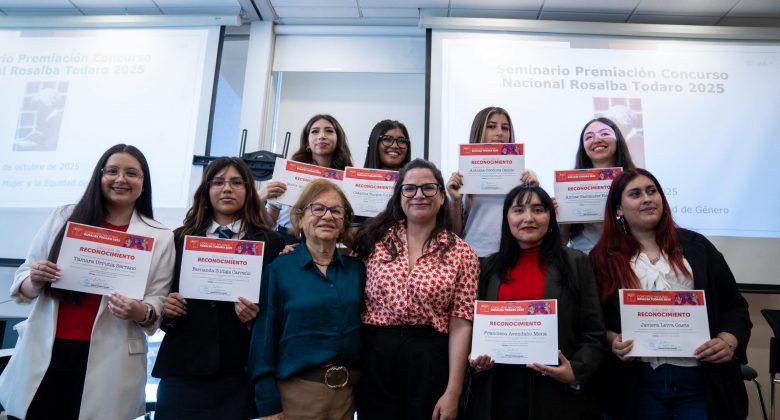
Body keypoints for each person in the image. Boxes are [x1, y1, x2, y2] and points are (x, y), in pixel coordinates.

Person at [0, 144, 175, 420]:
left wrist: (139, 311)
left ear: (143, 182)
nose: (121, 179)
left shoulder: (160, 235)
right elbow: (25, 274)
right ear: (100, 176)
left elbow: (158, 299)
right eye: (113, 171)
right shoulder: (64, 216)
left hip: (113, 360)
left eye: (132, 173)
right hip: (46, 352)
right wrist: (34, 280)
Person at [590, 168, 752, 420]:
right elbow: (592, 319)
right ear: (618, 209)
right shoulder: (602, 258)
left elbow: (734, 306)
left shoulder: (698, 247)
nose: (646, 198)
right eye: (635, 194)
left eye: (652, 191)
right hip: (637, 383)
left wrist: (727, 341)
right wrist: (612, 340)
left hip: (699, 380)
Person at [152, 157, 285, 419]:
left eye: (236, 182)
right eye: (218, 182)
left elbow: (276, 311)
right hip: (183, 369)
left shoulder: (272, 242)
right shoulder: (179, 238)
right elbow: (159, 296)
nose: (227, 189)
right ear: (206, 190)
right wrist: (167, 308)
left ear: (248, 191)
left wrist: (253, 320)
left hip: (240, 373)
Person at [462, 185, 606, 420]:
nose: (528, 218)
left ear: (550, 216)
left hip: (556, 393)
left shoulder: (575, 262)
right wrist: (475, 359)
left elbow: (593, 332)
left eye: (538, 209)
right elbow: (474, 328)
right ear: (507, 218)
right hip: (499, 391)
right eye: (518, 210)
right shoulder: (488, 267)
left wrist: (576, 371)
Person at [353, 159, 480, 420]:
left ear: (442, 196)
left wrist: (453, 391)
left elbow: (461, 323)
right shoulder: (372, 241)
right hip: (376, 355)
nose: (419, 195)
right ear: (399, 196)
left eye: (428, 188)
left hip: (431, 360)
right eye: (409, 189)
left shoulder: (462, 253)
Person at [248, 179, 365, 420]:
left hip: (346, 399)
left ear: (344, 221)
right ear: (300, 218)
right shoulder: (280, 269)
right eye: (318, 208)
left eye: (336, 210)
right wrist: (268, 402)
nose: (327, 216)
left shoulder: (357, 271)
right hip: (295, 396)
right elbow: (263, 341)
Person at [446, 106, 538, 258]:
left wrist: (534, 192)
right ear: (479, 130)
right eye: (491, 126)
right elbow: (455, 233)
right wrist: (455, 201)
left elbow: (535, 222)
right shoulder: (462, 177)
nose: (499, 133)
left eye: (505, 128)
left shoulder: (525, 176)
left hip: (513, 254)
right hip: (473, 256)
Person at [260, 114, 354, 244]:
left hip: (328, 242)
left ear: (338, 139)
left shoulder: (348, 180)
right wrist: (259, 199)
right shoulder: (285, 173)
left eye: (329, 131)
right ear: (307, 142)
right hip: (288, 242)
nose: (322, 136)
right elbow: (269, 223)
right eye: (315, 131)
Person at [560, 117, 636, 254]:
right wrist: (562, 214)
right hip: (585, 261)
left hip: (630, 258)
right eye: (589, 137)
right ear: (583, 147)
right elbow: (562, 240)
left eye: (605, 133)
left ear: (618, 139)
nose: (597, 139)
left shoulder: (636, 180)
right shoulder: (569, 186)